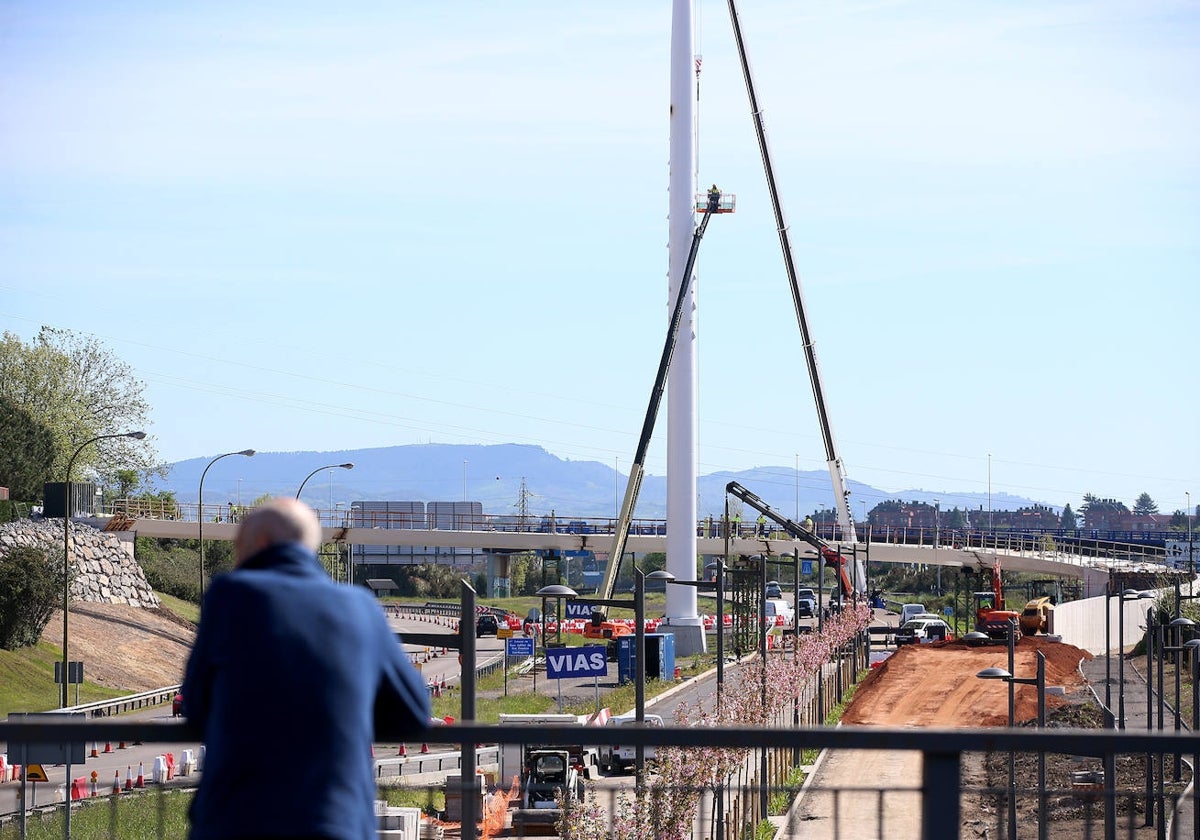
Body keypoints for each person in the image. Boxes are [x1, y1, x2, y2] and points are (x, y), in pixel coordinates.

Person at [183, 497, 430, 840]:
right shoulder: (360, 606)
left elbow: (196, 706)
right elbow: (414, 713)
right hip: (336, 823)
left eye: (239, 549)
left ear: (263, 543)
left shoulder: (231, 595)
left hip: (237, 821)